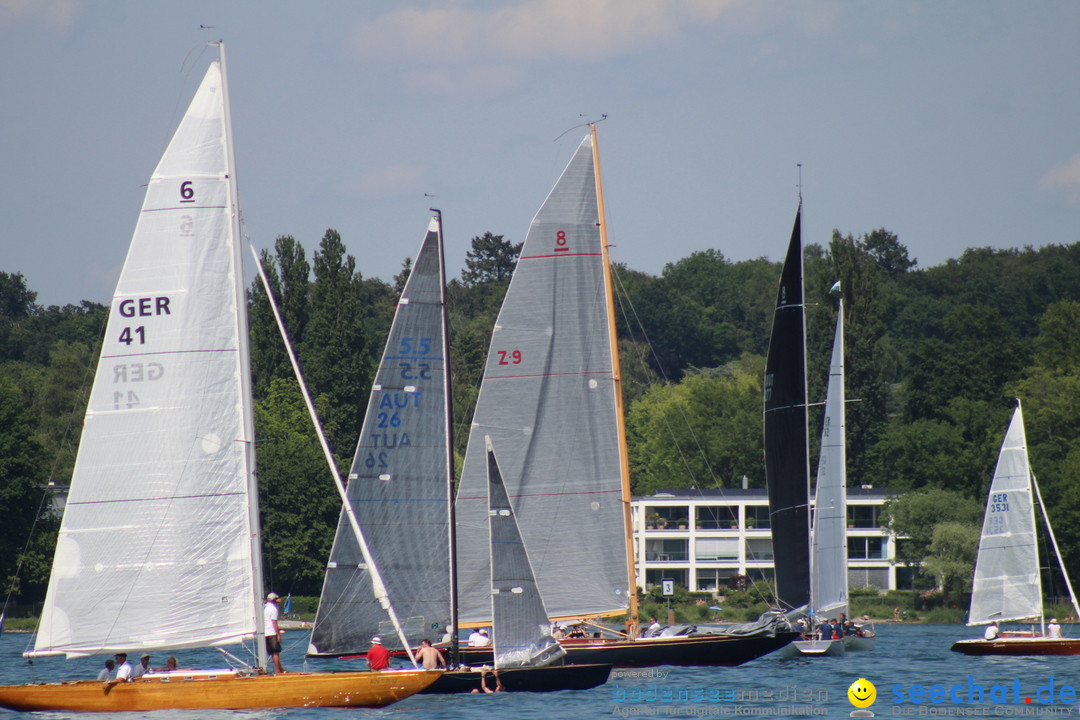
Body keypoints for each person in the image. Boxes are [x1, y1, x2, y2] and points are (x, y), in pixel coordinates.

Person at [264, 592, 286, 673]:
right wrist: (278, 634)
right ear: (274, 599)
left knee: (272, 653)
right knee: (276, 652)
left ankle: (280, 669)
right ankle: (278, 670)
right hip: (271, 632)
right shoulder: (273, 609)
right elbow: (274, 623)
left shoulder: (264, 607)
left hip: (264, 633)